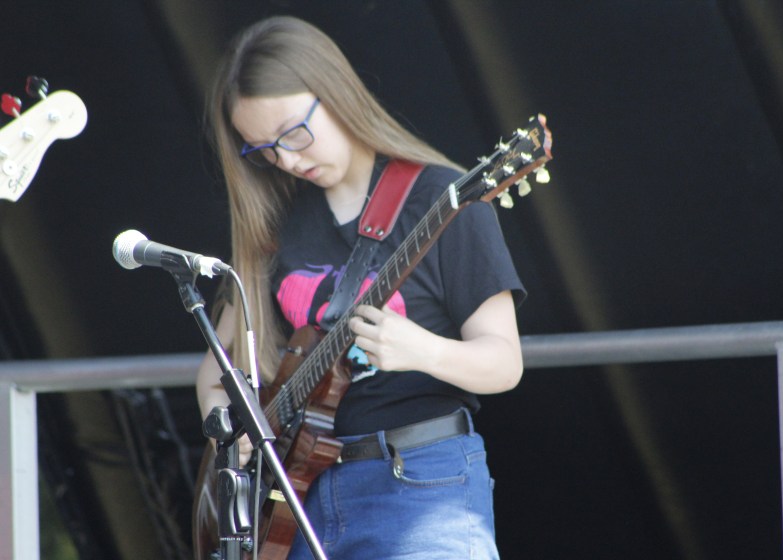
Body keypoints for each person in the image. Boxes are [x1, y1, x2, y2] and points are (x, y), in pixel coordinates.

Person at [196, 15, 544, 559]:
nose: (287, 160)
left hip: (422, 486)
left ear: (336, 94)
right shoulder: (279, 224)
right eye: (262, 149)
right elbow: (216, 375)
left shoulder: (445, 198)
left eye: (293, 133)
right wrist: (231, 433)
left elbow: (504, 363)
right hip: (298, 501)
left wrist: (421, 350)